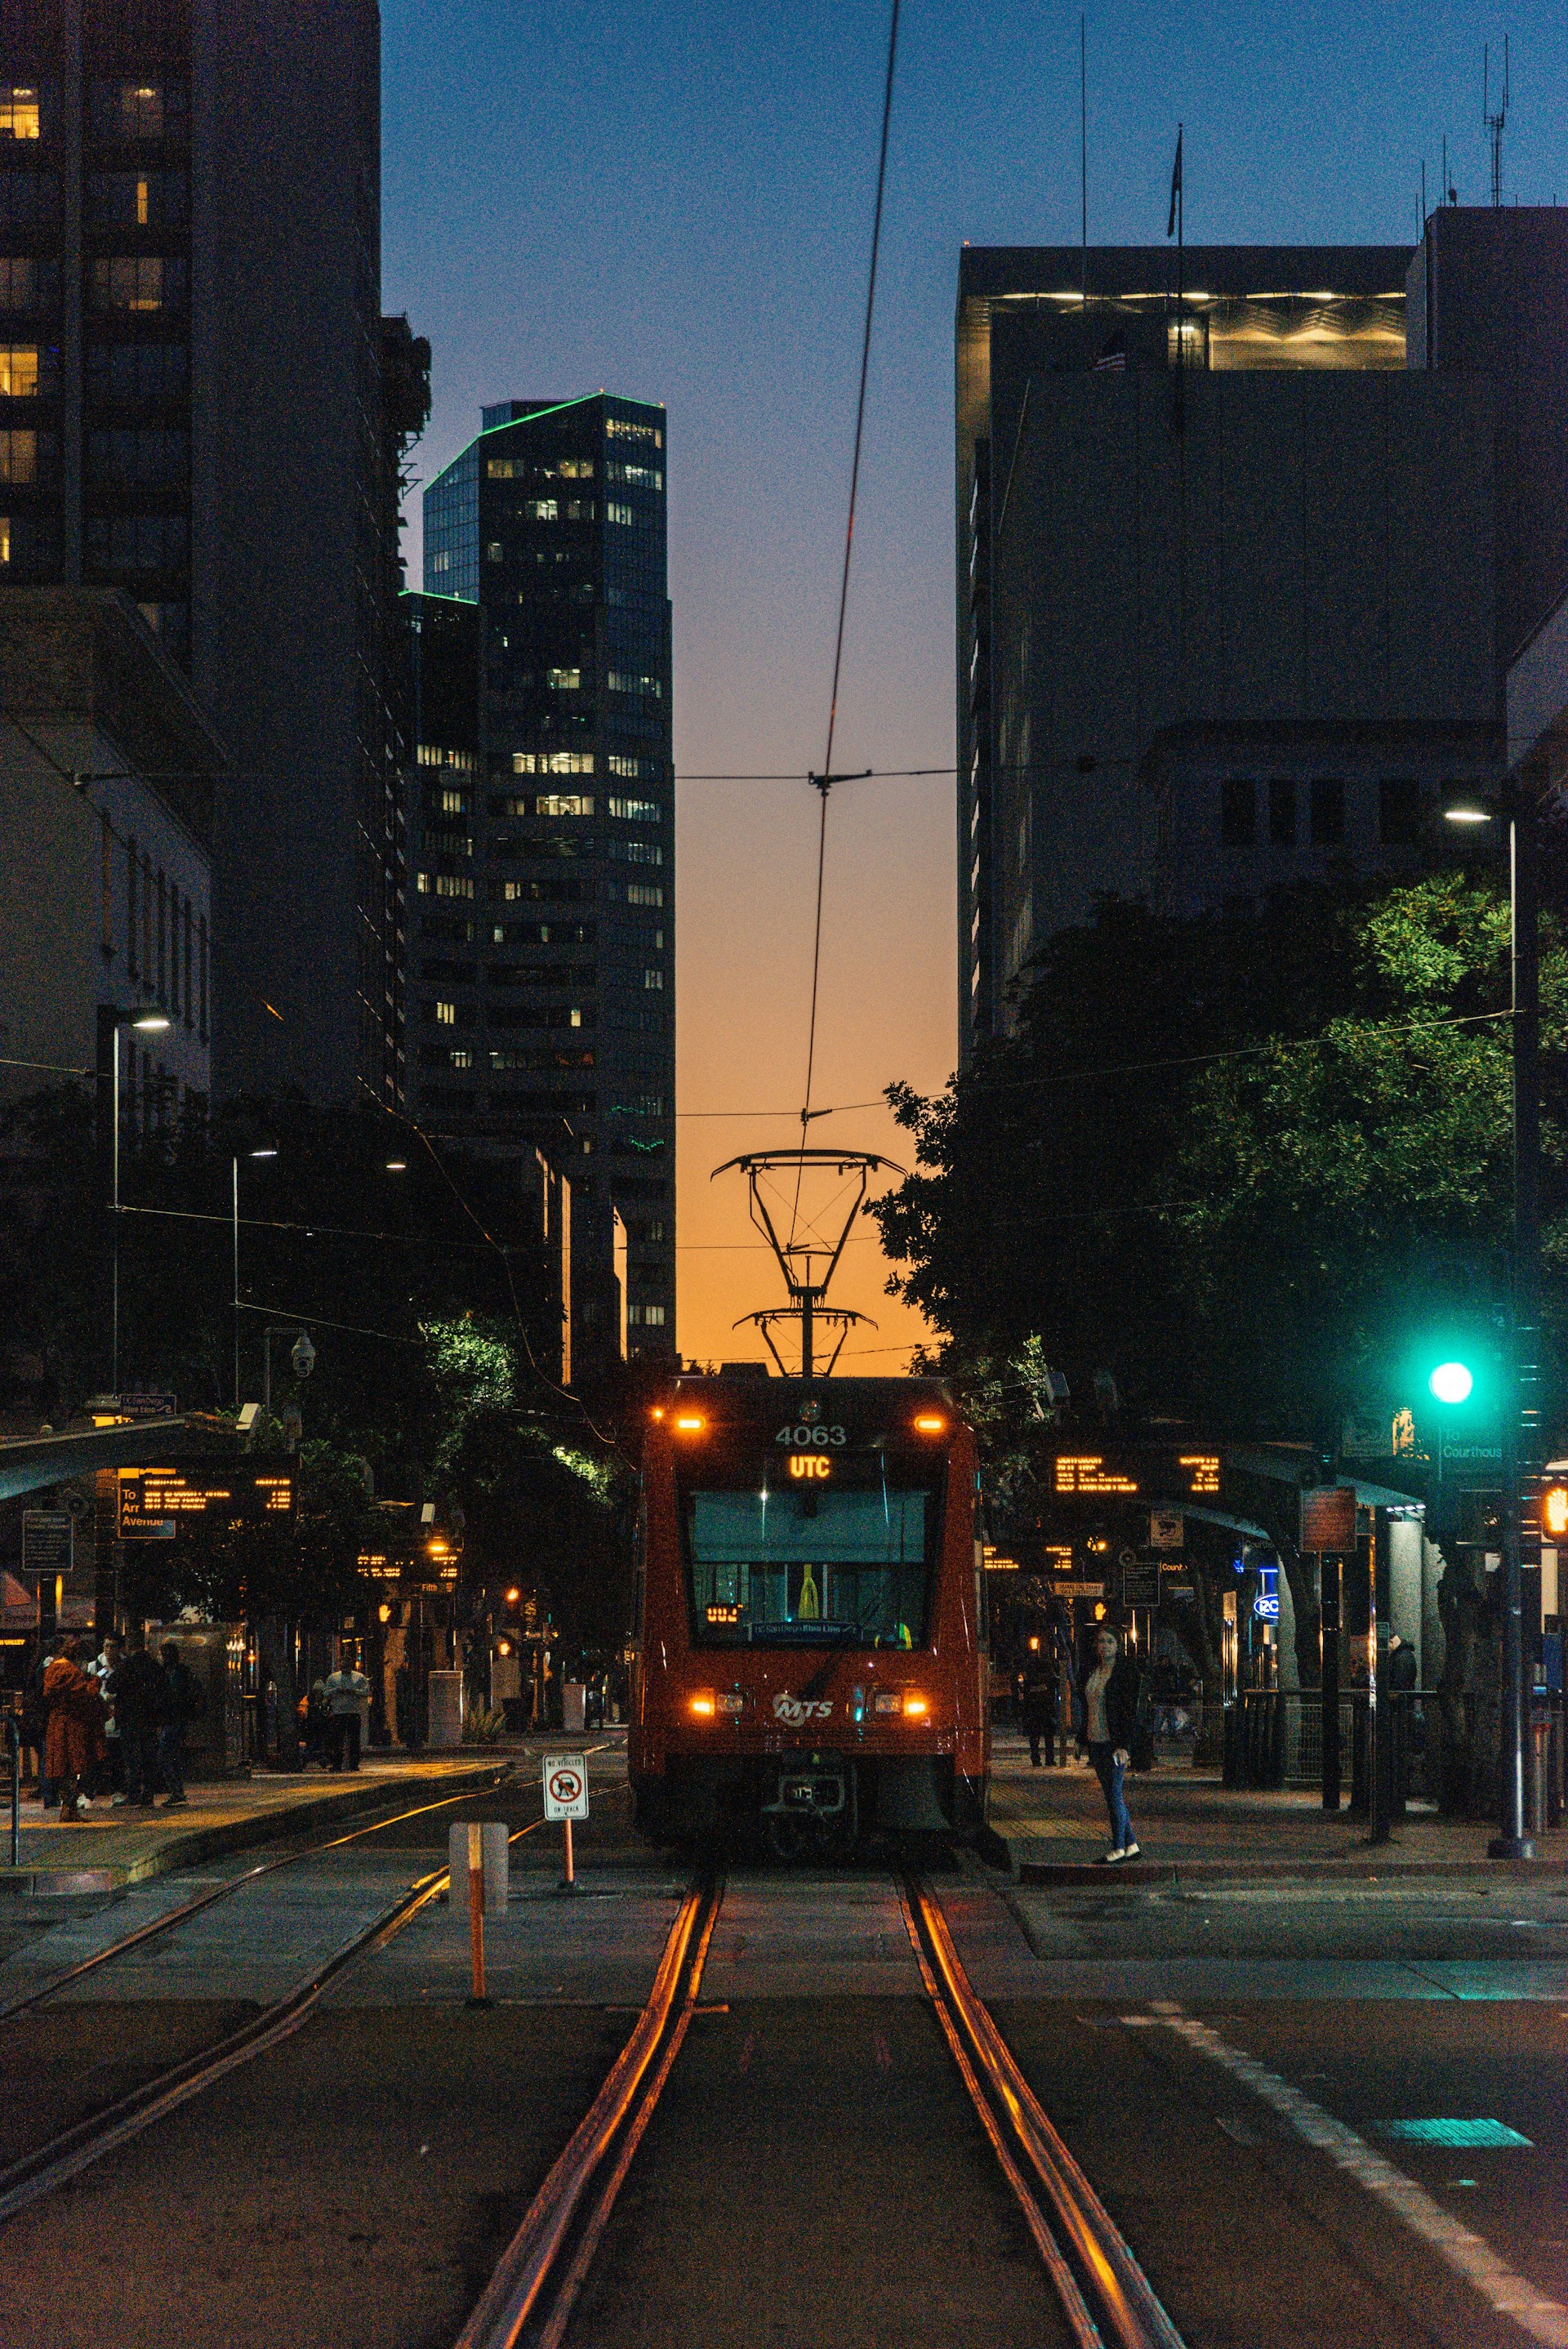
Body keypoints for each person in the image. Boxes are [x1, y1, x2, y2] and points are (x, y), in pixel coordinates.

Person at [1077, 1625, 1143, 1863]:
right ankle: (1131, 1843)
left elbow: (1128, 1712)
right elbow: (1086, 1708)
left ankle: (1117, 1847)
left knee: (1114, 1795)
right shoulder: (1093, 1672)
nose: (1104, 1646)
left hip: (1114, 1743)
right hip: (1096, 1740)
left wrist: (1124, 1745)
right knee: (1111, 1794)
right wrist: (1080, 1739)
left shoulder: (1125, 1672)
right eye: (1101, 1642)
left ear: (1118, 1645)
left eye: (1109, 1641)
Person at [42, 1636, 107, 1821]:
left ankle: (68, 1808)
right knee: (74, 1766)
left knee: (63, 1767)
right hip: (72, 1724)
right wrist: (94, 1683)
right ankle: (70, 1809)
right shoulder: (70, 1671)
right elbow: (84, 1695)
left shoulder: (53, 1668)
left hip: (57, 1722)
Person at [116, 1631, 167, 1806]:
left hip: (129, 1718)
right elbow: (163, 1691)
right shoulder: (154, 1665)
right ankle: (148, 1795)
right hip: (149, 1718)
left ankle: (133, 1794)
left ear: (129, 1647)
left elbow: (111, 1685)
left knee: (131, 1758)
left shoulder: (126, 1665)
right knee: (149, 1758)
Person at [157, 1641, 202, 1808]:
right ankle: (177, 1791)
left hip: (174, 1720)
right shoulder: (182, 1671)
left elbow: (173, 1698)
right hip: (180, 1720)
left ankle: (176, 1792)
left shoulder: (173, 1674)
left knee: (165, 1756)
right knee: (173, 1756)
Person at [88, 1633, 127, 1802]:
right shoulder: (95, 1666)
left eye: (112, 1646)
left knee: (116, 1757)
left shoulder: (125, 1666)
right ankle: (88, 1793)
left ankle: (116, 1791)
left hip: (117, 1717)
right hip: (99, 1718)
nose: (109, 1650)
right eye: (106, 1646)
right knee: (95, 1757)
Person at [320, 1651, 370, 1771]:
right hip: (339, 1712)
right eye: (343, 1666)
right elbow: (326, 1692)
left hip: (353, 1711)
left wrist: (353, 1692)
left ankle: (353, 1764)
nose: (345, 1669)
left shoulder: (359, 1678)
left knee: (354, 1740)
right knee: (338, 1740)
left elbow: (366, 1692)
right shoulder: (334, 1678)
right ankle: (337, 1763)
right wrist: (336, 1690)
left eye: (347, 1666)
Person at [1018, 1643, 1059, 1767]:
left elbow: (1024, 1691)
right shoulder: (1048, 1676)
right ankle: (1049, 1759)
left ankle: (1036, 1759)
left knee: (1035, 1736)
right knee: (1048, 1737)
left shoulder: (1029, 1676)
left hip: (1034, 1709)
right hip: (1046, 1709)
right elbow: (1055, 1685)